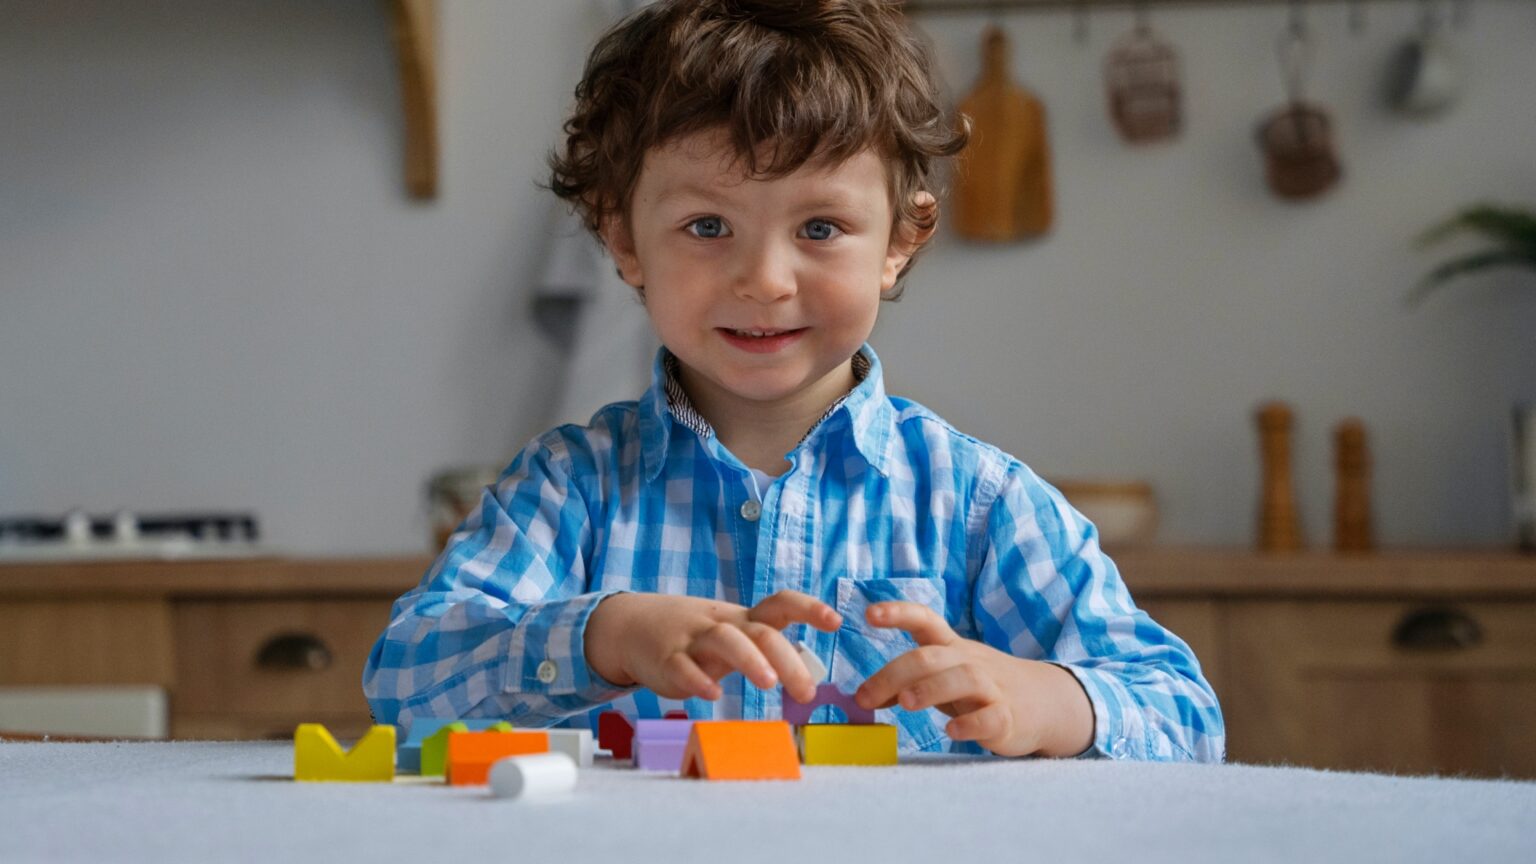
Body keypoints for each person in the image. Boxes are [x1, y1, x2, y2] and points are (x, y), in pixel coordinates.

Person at [363, 0, 1223, 761]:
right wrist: (605, 634)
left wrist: (1048, 701)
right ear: (623, 240)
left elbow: (1183, 716)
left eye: (820, 227)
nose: (766, 281)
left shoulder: (979, 506)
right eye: (708, 226)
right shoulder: (567, 491)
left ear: (900, 241)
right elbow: (404, 684)